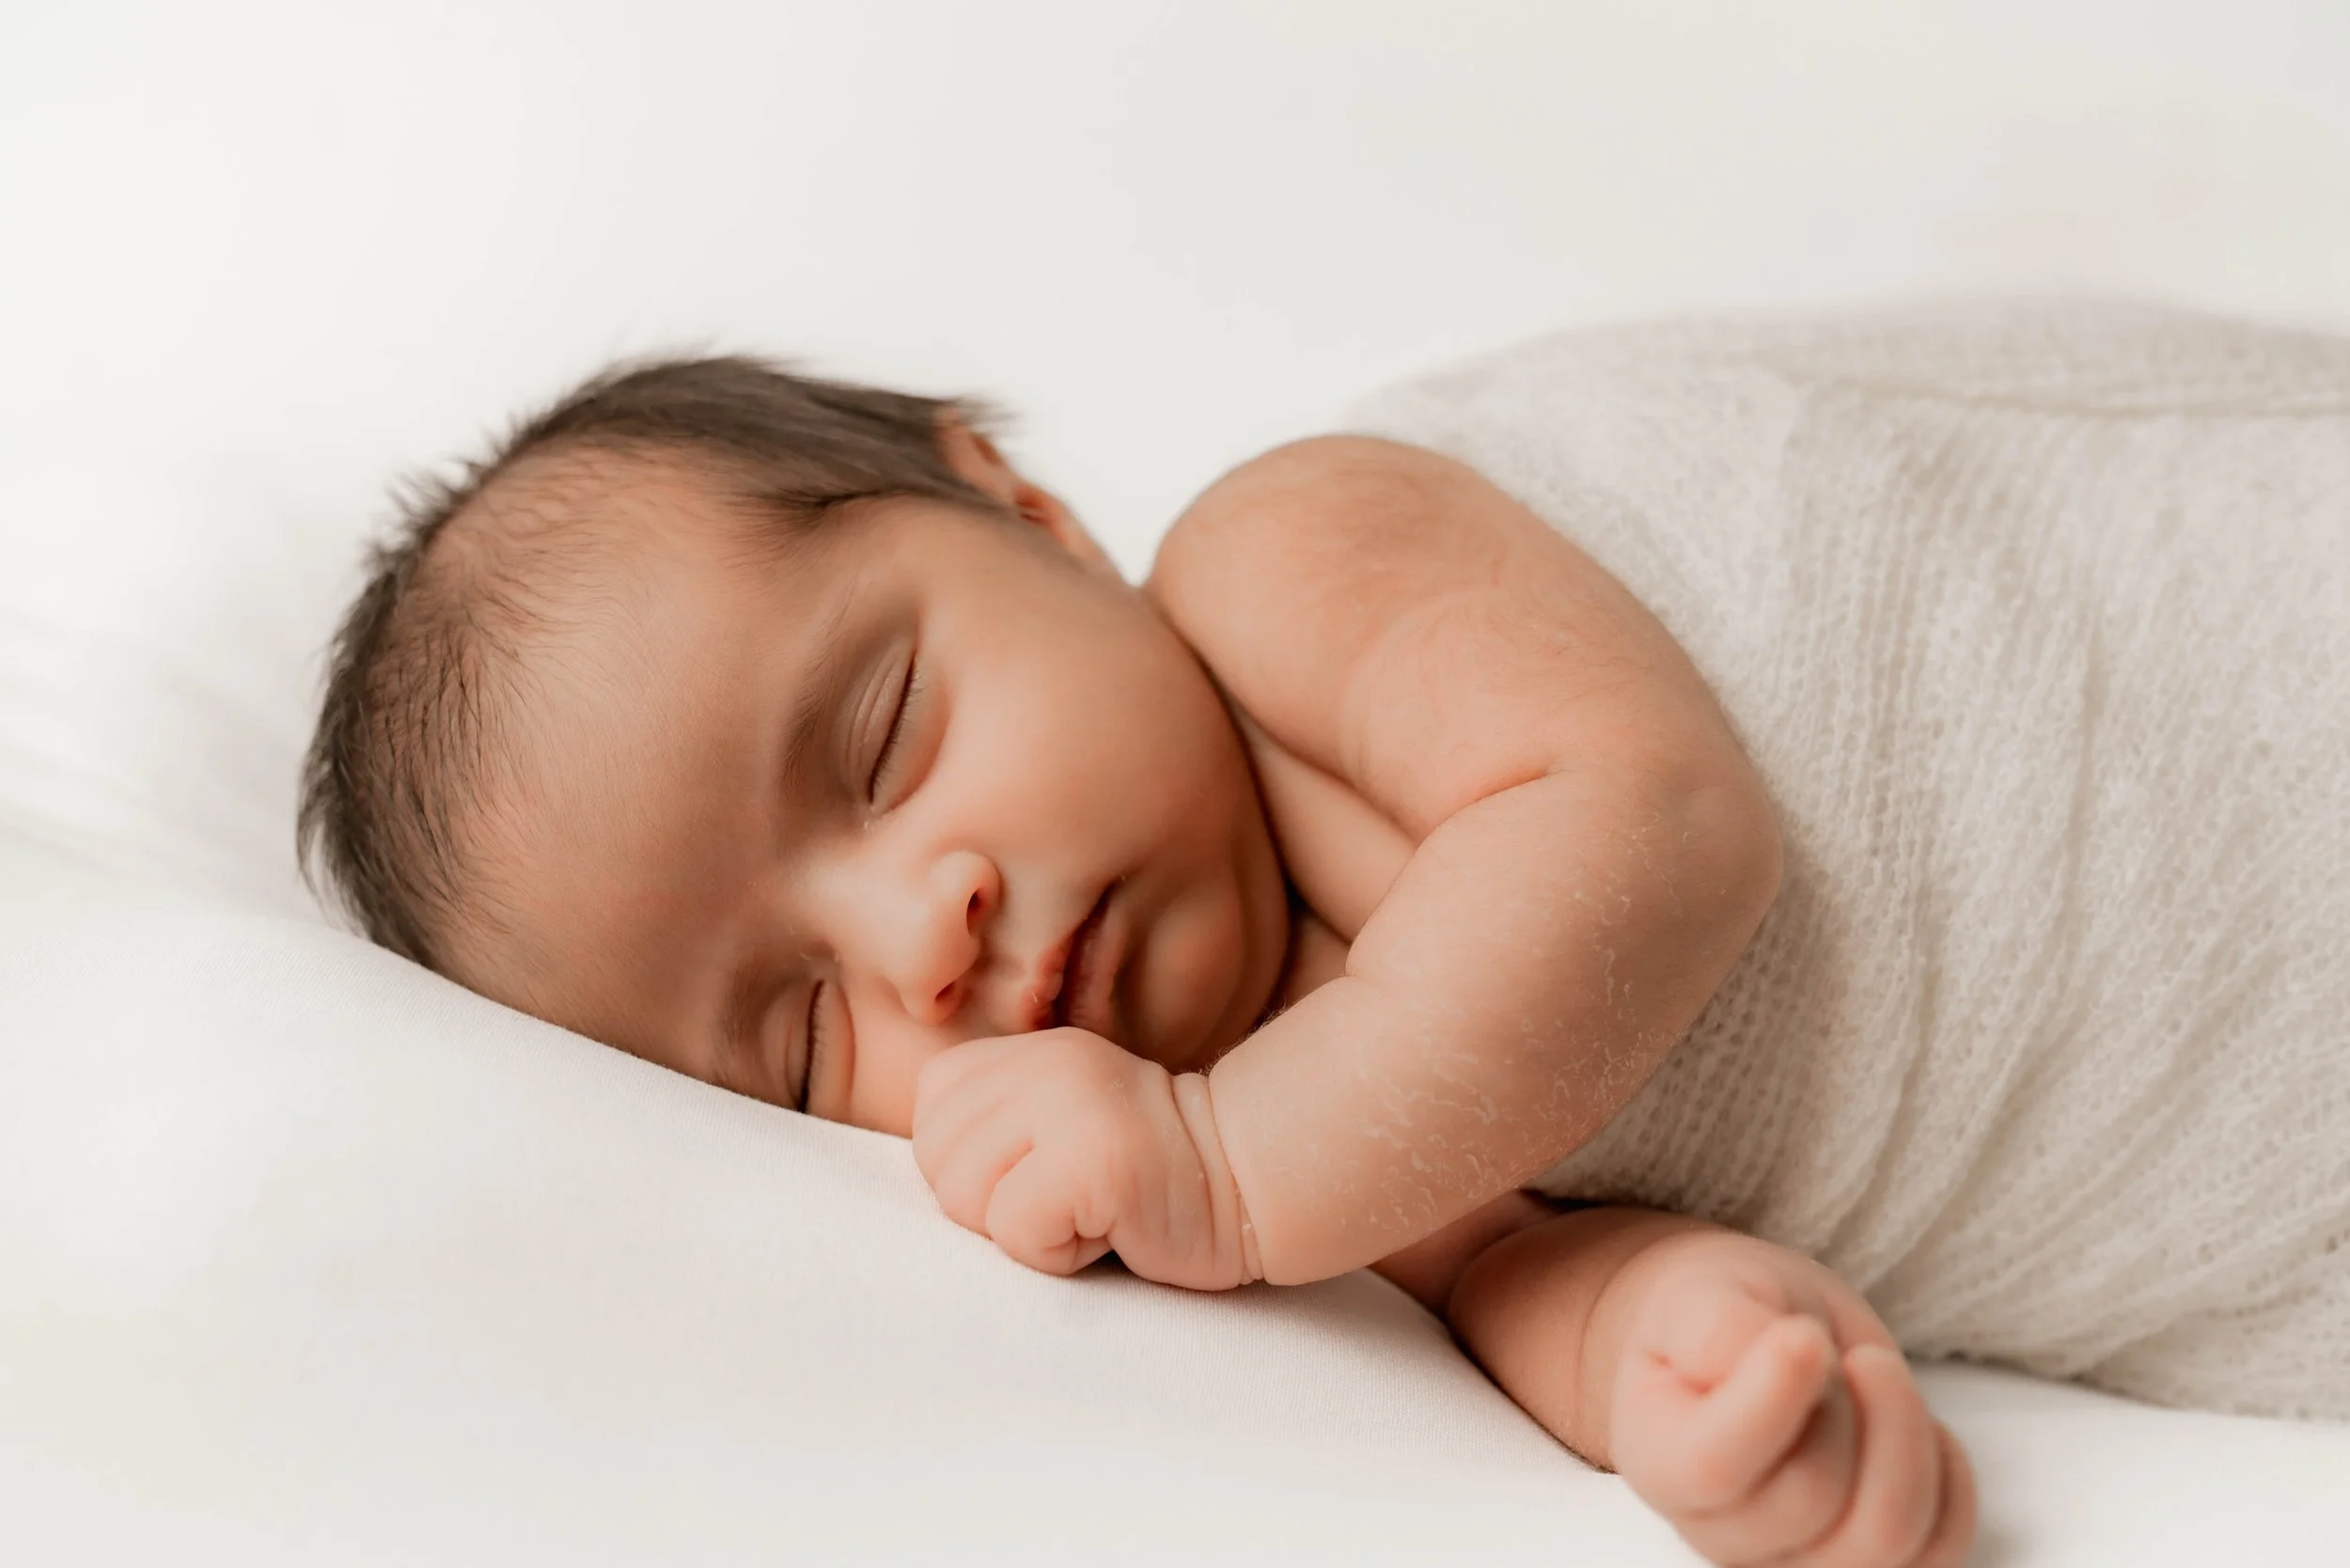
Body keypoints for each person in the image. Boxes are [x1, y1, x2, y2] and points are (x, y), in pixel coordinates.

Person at [301, 355, 1973, 1567]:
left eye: (885, 739)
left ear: (1028, 513)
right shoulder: (1301, 1158)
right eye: (802, 1036)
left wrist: (1238, 1175)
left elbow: (1658, 821)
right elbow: (1526, 1273)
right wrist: (1704, 1377)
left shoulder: (1296, 562)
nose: (921, 944)